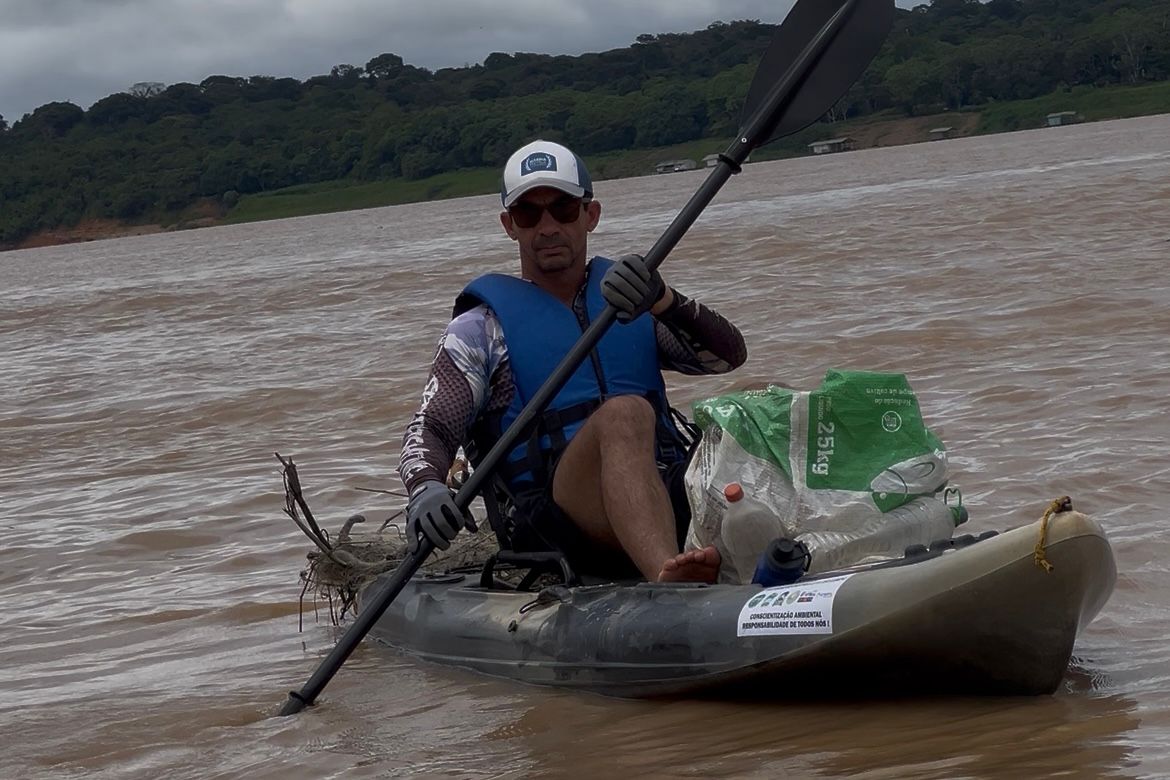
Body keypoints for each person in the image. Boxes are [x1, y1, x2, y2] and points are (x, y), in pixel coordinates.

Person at [399, 139, 747, 583]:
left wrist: (664, 300)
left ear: (590, 215)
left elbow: (726, 358)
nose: (547, 227)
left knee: (747, 425)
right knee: (625, 413)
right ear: (510, 226)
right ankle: (669, 579)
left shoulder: (632, 302)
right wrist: (425, 486)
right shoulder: (481, 330)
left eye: (563, 209)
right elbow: (431, 426)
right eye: (529, 213)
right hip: (552, 524)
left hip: (660, 493)